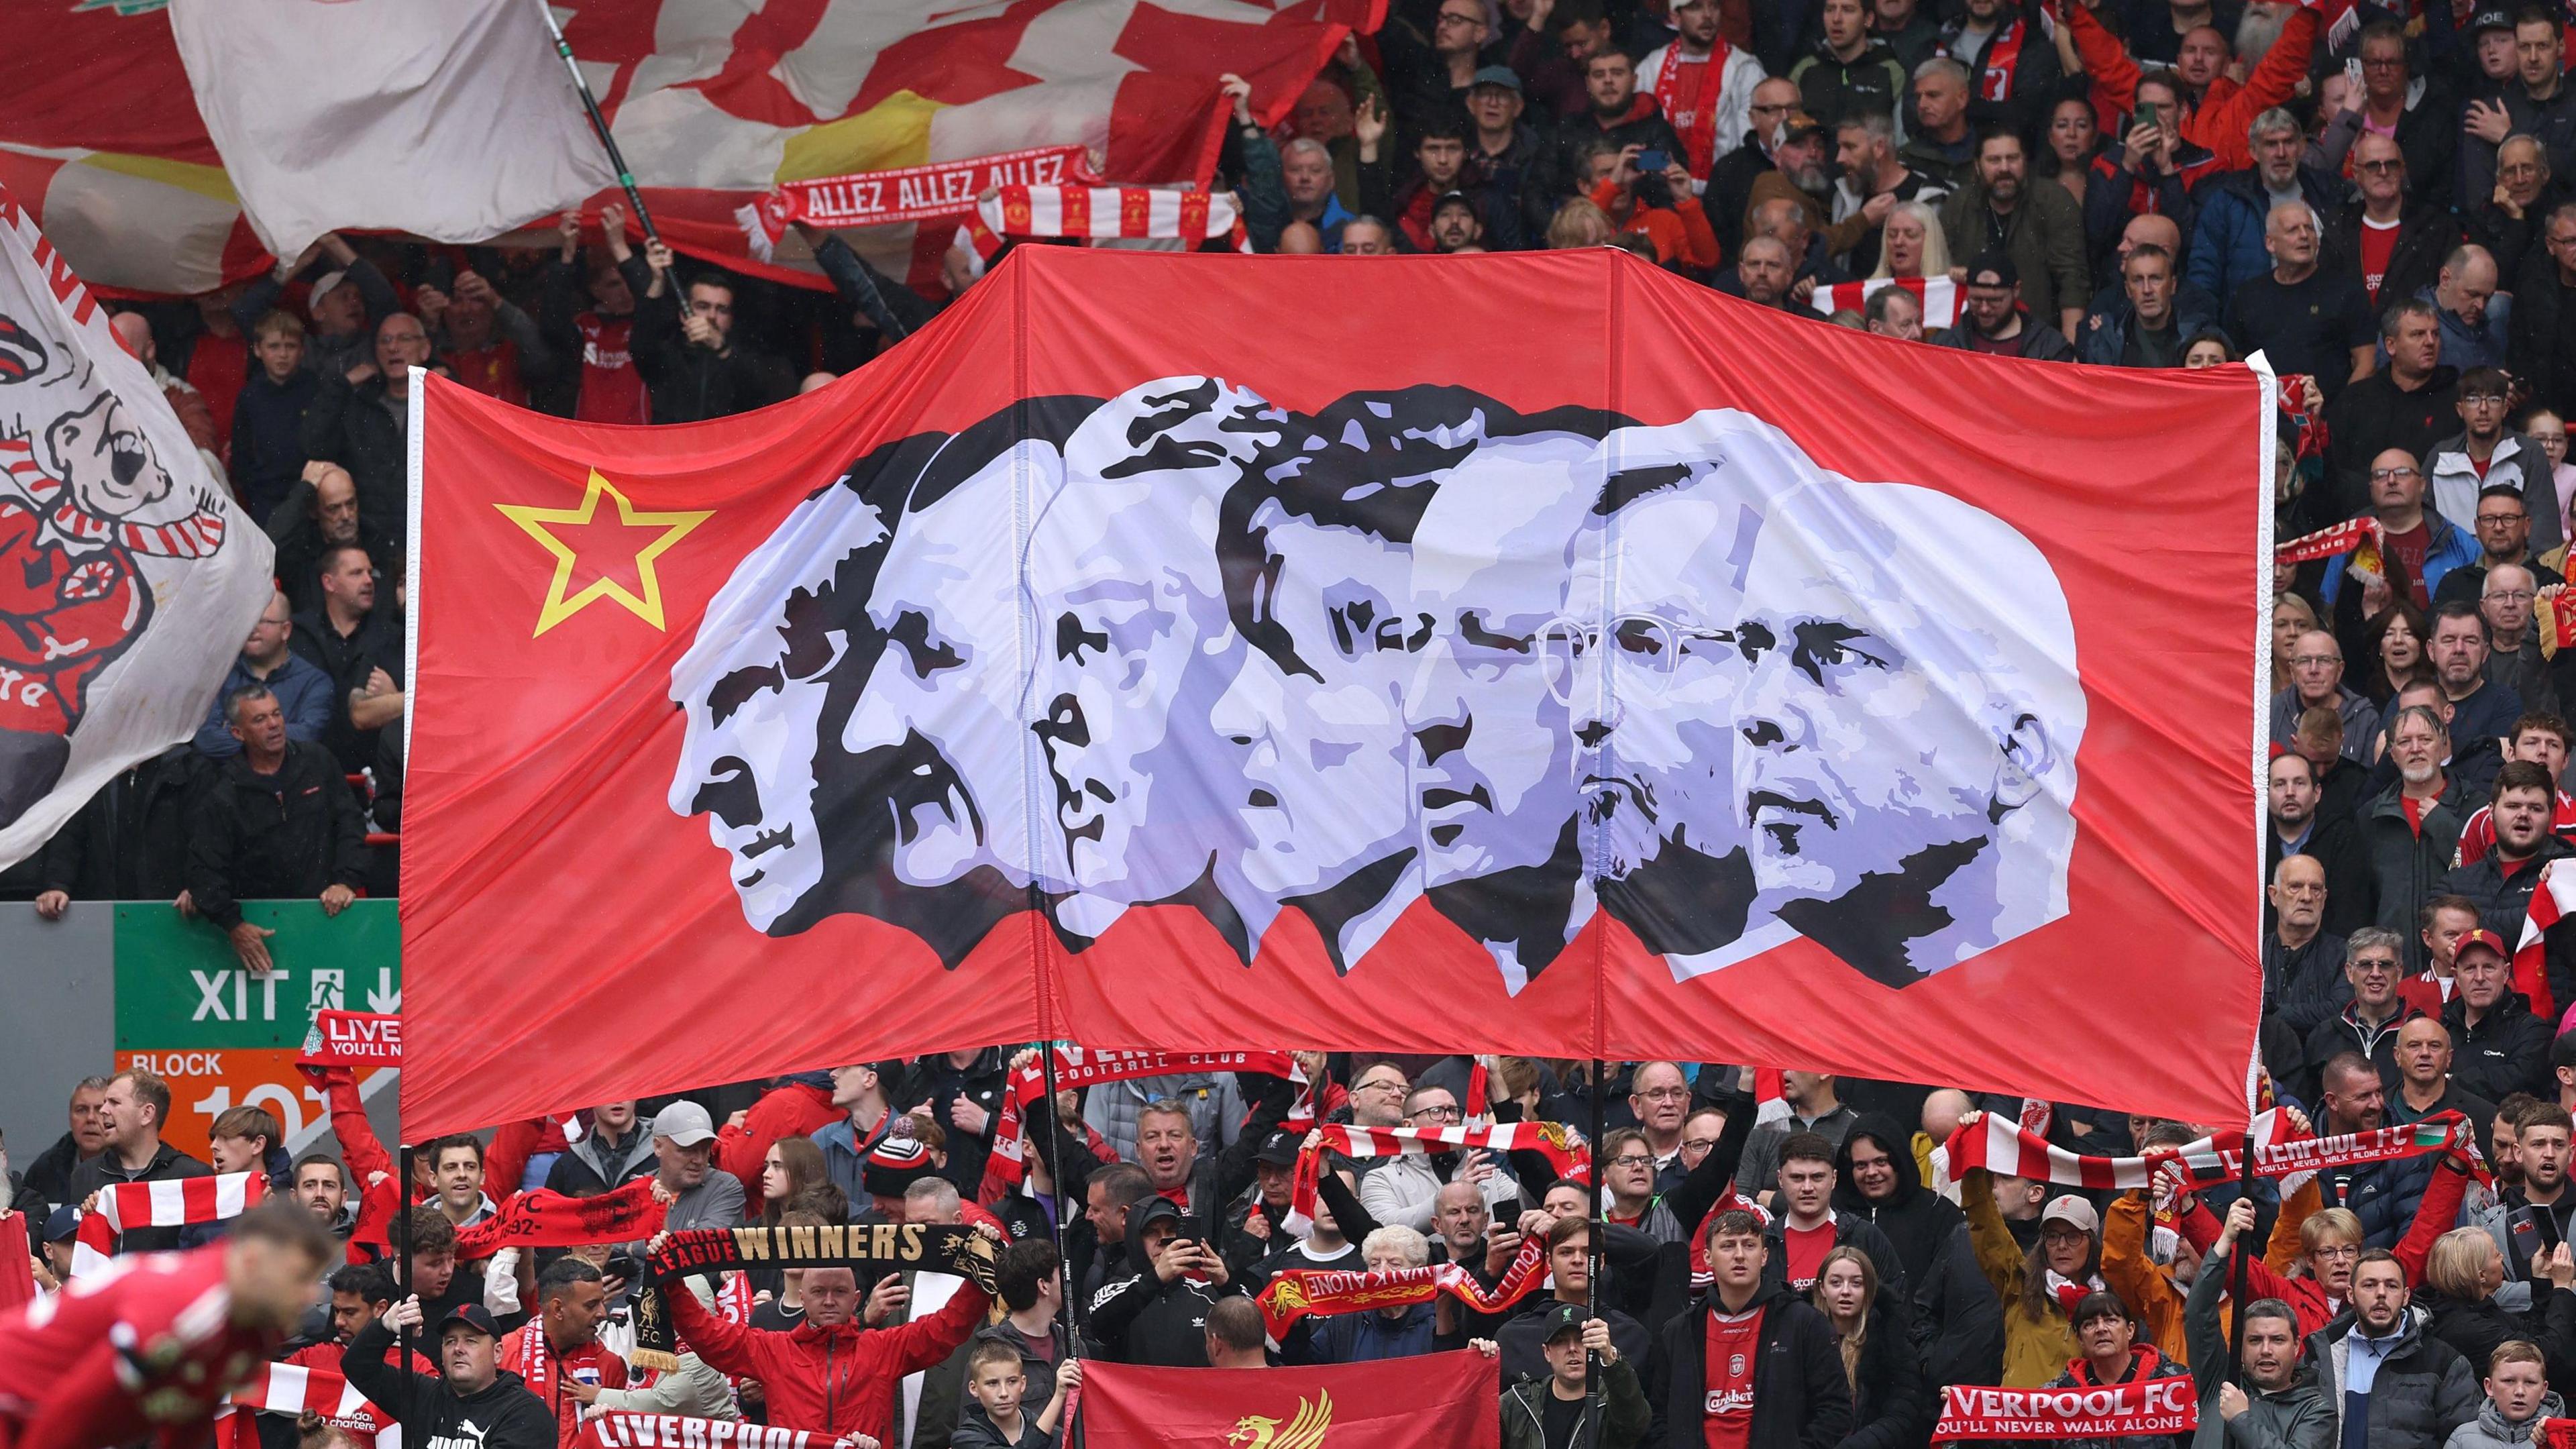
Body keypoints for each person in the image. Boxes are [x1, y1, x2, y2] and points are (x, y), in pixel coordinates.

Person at [0, 1201, 332, 1449]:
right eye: (300, 1277)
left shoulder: (252, 1329)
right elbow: (74, 1404)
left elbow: (189, 1416)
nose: (310, 1294)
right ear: (252, 1261)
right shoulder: (188, 1308)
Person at [667, 1223, 996, 1440]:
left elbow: (948, 1327)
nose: (828, 1300)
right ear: (804, 1298)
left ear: (855, 1299)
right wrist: (670, 1281)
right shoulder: (772, 1349)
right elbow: (706, 1334)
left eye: (838, 1292)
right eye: (819, 1292)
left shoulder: (884, 1347)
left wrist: (982, 1265)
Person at [184, 684, 367, 973]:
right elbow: (204, 867)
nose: (273, 725)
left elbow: (351, 824)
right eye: (259, 720)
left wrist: (345, 881)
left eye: (277, 714)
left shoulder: (318, 762)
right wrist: (234, 925)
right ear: (237, 733)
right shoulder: (222, 790)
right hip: (257, 923)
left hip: (323, 915)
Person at [1647, 1208, 1853, 1443]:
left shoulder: (1804, 1322)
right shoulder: (1679, 1331)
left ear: (1764, 1256)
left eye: (1749, 1245)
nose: (1739, 1255)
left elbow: (1836, 1410)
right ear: (1707, 1257)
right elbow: (1658, 1416)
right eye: (1727, 1246)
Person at [2296, 1248, 2481, 1448]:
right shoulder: (2321, 1356)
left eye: (2392, 1286)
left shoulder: (2444, 1363)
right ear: (2350, 1294)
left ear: (2405, 1295)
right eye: (2369, 1285)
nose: (2381, 1294)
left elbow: (2465, 1441)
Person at [1937, 127, 2088, 339]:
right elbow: (1935, 267)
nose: (2004, 168)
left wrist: (2070, 350)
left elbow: (2072, 278)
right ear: (1977, 166)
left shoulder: (2053, 200)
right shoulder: (1959, 205)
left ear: (2025, 161)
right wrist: (1953, 272)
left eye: (2012, 158)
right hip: (1970, 338)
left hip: (2037, 337)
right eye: (1994, 160)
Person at [343, 1299, 555, 1449]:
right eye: (450, 1341)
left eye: (470, 1340)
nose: (458, 1349)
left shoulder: (526, 1412)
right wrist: (385, 1327)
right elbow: (358, 1366)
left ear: (498, 1352)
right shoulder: (424, 1394)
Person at [2190, 108, 2345, 309]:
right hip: (2250, 326)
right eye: (2271, 144)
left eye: (2288, 142)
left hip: (2321, 319)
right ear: (2253, 151)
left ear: (2301, 148)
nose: (2281, 153)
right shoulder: (2227, 202)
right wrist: (2206, 334)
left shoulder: (2328, 190)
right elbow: (2204, 276)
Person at [2224, 200, 2377, 400]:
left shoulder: (2346, 291)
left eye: (2309, 229)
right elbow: (2235, 365)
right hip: (2266, 422)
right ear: (2270, 243)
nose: (2304, 236)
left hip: (2329, 420)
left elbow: (2367, 363)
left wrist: (2342, 414)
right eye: (2293, 230)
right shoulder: (2247, 296)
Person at [299, 311, 432, 537]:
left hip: (429, 538)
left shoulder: (442, 407)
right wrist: (342, 386)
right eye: (385, 341)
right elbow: (314, 446)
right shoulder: (359, 406)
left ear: (425, 349)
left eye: (404, 339)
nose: (393, 348)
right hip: (371, 540)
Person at [629, 242, 792, 423]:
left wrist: (721, 348)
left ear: (731, 319)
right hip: (673, 448)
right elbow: (642, 344)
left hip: (725, 448)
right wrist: (658, 280)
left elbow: (760, 391)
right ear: (683, 315)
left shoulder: (745, 357)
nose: (712, 316)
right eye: (703, 307)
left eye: (722, 310)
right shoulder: (667, 354)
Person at [1086, 1196, 1248, 1366]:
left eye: (1171, 1231)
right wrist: (1155, 1279)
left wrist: (1226, 1285)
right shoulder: (1115, 1291)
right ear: (1136, 1241)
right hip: (1136, 1392)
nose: (1163, 1241)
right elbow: (1099, 1328)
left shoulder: (1206, 1293)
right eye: (1152, 1232)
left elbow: (1256, 1337)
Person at [62, 1068, 211, 1251]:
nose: (103, 1110)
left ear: (147, 1114)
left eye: (114, 1103)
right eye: (105, 1103)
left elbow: (208, 1257)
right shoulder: (85, 1175)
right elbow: (66, 1252)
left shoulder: (193, 1177)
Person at [2180, 1283, 2330, 1449]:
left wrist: (2241, 1419)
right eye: (2255, 1340)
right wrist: (2218, 1257)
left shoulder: (2317, 1410)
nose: (2266, 1350)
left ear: (2296, 1346)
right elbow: (2198, 1313)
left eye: (2277, 1340)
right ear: (2241, 1345)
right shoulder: (2219, 1383)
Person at [1810, 1244, 1931, 1446]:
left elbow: (1901, 1415)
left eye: (1857, 1284)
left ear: (1870, 1290)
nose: (1846, 1291)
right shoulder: (1802, 1338)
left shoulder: (1892, 1343)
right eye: (1836, 1283)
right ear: (1822, 1288)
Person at [497, 1257, 626, 1448]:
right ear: (558, 1309)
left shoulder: (611, 1365)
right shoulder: (504, 1354)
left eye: (601, 1302)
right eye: (591, 1305)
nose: (602, 1313)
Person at [2428, 371, 2559, 555]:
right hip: (2453, 575)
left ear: (2505, 408)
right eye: (2473, 399)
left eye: (2494, 399)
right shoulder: (2439, 458)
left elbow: (2544, 535)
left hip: (2516, 574)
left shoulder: (2529, 453)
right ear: (2460, 409)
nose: (2483, 408)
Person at [2041, 1292, 2194, 1449]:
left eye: (2111, 1320)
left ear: (2130, 1330)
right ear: (2080, 1339)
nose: (2101, 1329)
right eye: (2089, 1324)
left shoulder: (2174, 1383)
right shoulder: (2056, 1396)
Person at [192, 591, 332, 759]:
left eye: (262, 621)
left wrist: (240, 733)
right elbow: (206, 740)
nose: (252, 628)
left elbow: (308, 736)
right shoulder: (219, 675)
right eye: (247, 620)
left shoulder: (314, 682)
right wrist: (273, 736)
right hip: (228, 782)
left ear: (285, 630)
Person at [1635, 0, 1766, 179]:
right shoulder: (1651, 67)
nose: (1707, 15)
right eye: (1696, 7)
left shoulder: (1744, 69)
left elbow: (1749, 144)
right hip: (1663, 189)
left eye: (1714, 6)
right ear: (1676, 17)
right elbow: (1640, 140)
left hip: (1722, 189)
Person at [1488, 1306, 1650, 1449]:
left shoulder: (1613, 1400)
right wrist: (1473, 1368)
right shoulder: (1519, 1402)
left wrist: (1611, 1359)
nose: (1572, 1348)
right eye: (1561, 1341)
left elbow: (1636, 1424)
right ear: (1547, 1352)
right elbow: (1476, 1435)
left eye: (1581, 1339)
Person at [230, 309, 319, 522]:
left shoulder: (316, 388)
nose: (283, 355)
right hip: (265, 497)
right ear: (258, 350)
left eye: (291, 346)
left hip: (310, 493)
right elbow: (241, 452)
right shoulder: (250, 396)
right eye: (274, 347)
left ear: (302, 351)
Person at [2081, 243, 2214, 366]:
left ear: (2173, 285)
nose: (2147, 290)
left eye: (2155, 279)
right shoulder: (2106, 342)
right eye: (2138, 280)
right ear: (2128, 290)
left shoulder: (2200, 335)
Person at [1933, 250, 2075, 358]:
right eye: (1976, 300)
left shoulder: (2049, 346)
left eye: (1995, 301)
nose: (1984, 309)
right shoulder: (1944, 345)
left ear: (2016, 290)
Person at [952, 1340, 1078, 1449]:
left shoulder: (1057, 1436)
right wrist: (1058, 1396)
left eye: (1012, 1382)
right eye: (992, 1383)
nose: (1003, 1393)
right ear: (974, 1388)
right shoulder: (965, 1438)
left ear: (1023, 1383)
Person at [2447, 1338, 2567, 1448]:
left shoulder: (2565, 1440)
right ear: (2489, 1387)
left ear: (2543, 1390)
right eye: (2509, 1381)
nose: (2520, 1391)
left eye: (2530, 1382)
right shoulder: (2462, 1439)